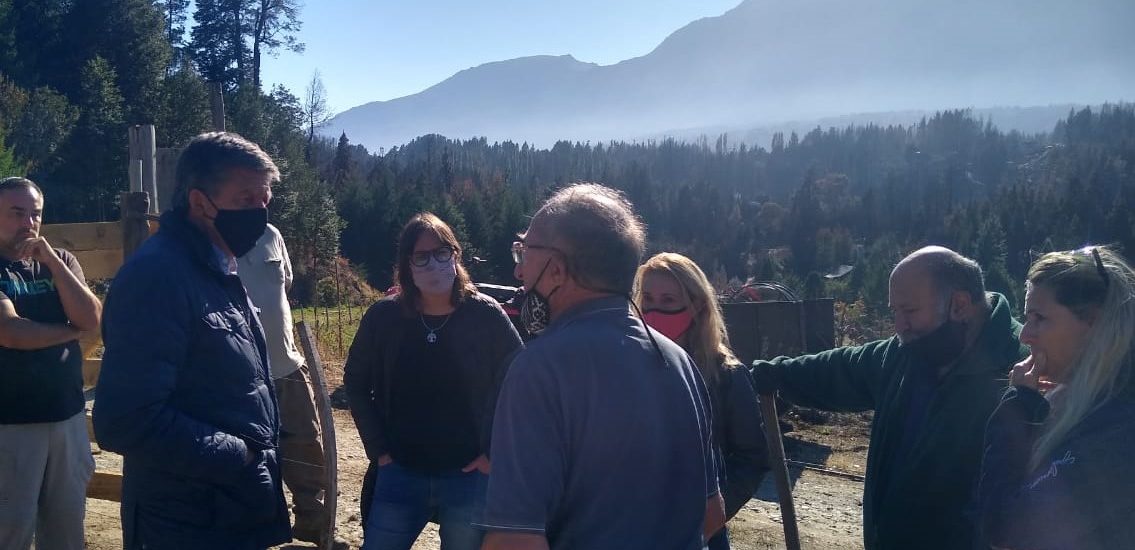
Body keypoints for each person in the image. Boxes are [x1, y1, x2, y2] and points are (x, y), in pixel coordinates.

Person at [479, 183, 724, 550]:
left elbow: (514, 540)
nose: (519, 273)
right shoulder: (680, 362)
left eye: (524, 252)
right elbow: (712, 512)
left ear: (557, 269)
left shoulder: (539, 368)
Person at [750, 246, 1027, 550]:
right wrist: (772, 375)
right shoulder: (904, 354)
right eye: (894, 311)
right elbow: (839, 370)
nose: (899, 326)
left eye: (909, 311)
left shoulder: (1024, 371)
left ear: (959, 305)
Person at [93, 132, 291, 548]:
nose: (259, 212)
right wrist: (241, 455)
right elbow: (125, 420)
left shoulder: (216, 267)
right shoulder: (158, 277)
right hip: (184, 522)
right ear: (200, 202)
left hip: (226, 513)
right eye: (245, 199)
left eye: (265, 198)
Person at [343, 212, 523, 550]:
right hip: (399, 471)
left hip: (468, 477)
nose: (433, 264)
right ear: (407, 264)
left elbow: (521, 382)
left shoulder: (486, 315)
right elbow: (355, 380)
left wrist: (493, 454)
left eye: (442, 254)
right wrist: (378, 449)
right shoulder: (384, 317)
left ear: (456, 256)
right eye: (421, 257)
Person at [976, 246, 1135, 549]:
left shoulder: (1117, 427)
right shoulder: (1091, 404)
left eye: (1039, 318)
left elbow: (1005, 527)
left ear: (1092, 321)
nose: (1025, 335)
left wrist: (1018, 410)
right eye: (1026, 317)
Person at [634, 252, 767, 550]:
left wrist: (710, 518)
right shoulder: (627, 366)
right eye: (648, 299)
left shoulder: (727, 376)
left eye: (668, 300)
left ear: (696, 306)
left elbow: (752, 458)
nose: (654, 310)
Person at [0, 176, 101, 549]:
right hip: (9, 424)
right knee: (10, 530)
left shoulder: (62, 261)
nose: (28, 223)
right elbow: (11, 333)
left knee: (66, 529)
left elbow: (91, 317)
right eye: (16, 213)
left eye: (35, 214)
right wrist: (69, 331)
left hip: (67, 418)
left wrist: (54, 265)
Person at [238, 223, 332, 546]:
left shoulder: (270, 234)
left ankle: (313, 525)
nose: (258, 201)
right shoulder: (209, 235)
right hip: (239, 376)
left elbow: (284, 284)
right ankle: (259, 534)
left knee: (307, 443)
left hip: (286, 365)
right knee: (250, 455)